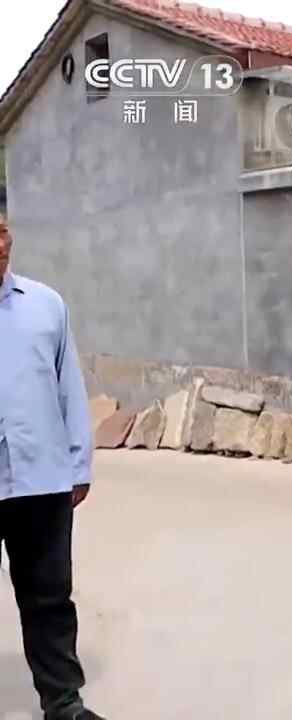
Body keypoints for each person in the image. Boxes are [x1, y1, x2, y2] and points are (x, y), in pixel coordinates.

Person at [0, 213, 105, 720]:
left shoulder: (46, 305)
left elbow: (69, 388)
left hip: (40, 477)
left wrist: (78, 465)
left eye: (0, 233)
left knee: (49, 598)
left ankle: (63, 702)